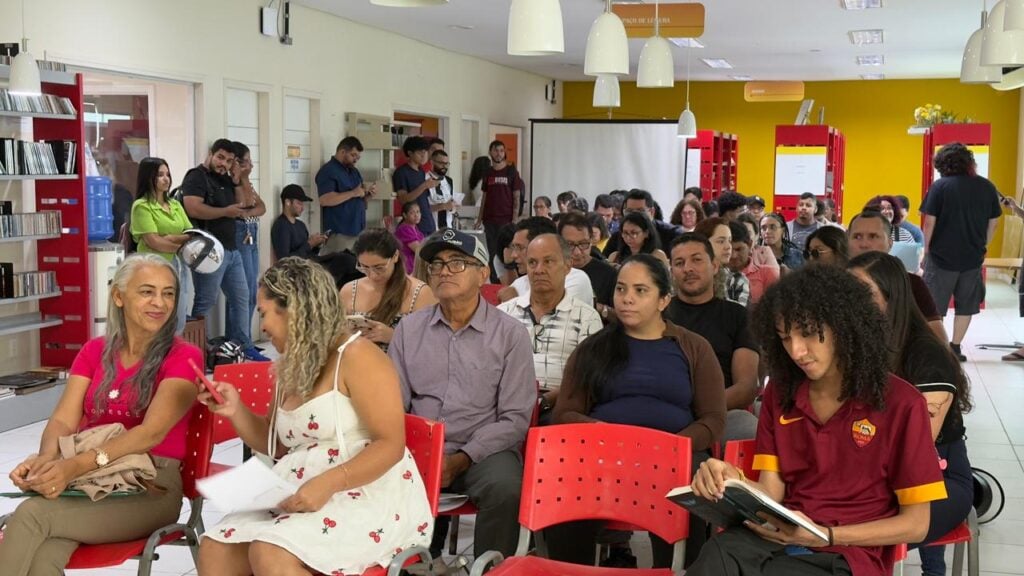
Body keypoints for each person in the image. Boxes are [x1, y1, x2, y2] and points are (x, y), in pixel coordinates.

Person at [686, 265, 947, 576]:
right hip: (779, 535)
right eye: (785, 338)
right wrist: (731, 480)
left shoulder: (902, 403)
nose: (797, 351)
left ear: (844, 325)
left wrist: (825, 535)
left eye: (808, 333)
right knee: (715, 554)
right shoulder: (780, 393)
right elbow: (771, 492)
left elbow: (916, 525)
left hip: (848, 553)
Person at [197, 257, 432, 576]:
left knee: (270, 552)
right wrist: (235, 409)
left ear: (295, 311)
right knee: (215, 548)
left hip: (366, 491)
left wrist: (328, 483)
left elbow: (391, 445)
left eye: (264, 313)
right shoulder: (289, 365)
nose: (262, 326)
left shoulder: (358, 356)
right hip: (301, 487)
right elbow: (275, 445)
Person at [0, 254, 203, 576]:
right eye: (147, 292)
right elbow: (63, 420)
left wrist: (74, 466)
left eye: (168, 293)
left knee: (31, 516)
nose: (160, 303)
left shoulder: (185, 356)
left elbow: (150, 433)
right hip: (89, 481)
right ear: (119, 296)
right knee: (43, 554)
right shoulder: (94, 350)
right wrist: (46, 461)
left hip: (150, 486)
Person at [549, 254, 726, 568]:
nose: (627, 298)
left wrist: (673, 447)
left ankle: (679, 570)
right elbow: (565, 414)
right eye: (621, 289)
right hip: (602, 456)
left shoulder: (694, 348)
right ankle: (569, 570)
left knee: (696, 479)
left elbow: (713, 419)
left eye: (640, 290)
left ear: (663, 300)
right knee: (567, 476)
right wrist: (608, 437)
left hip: (674, 458)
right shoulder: (593, 348)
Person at [389, 229, 536, 559]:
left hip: (482, 451)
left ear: (483, 274)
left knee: (506, 488)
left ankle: (491, 567)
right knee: (371, 474)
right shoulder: (409, 329)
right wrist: (418, 450)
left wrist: (462, 458)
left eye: (457, 263)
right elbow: (394, 406)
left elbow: (515, 417)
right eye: (437, 264)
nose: (444, 271)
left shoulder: (510, 334)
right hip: (418, 447)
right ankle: (405, 563)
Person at [848, 251, 974, 576]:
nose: (850, 303)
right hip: (865, 469)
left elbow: (914, 451)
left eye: (863, 293)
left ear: (892, 298)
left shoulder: (926, 356)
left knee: (855, 534)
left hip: (938, 478)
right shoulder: (851, 344)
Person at [666, 234, 759, 441]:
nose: (688, 268)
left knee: (748, 428)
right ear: (672, 272)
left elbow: (746, 388)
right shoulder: (658, 314)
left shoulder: (737, 315)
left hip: (721, 411)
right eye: (679, 263)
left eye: (696, 260)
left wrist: (699, 409)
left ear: (715, 266)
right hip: (664, 410)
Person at [498, 233, 602, 419]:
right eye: (532, 263)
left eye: (548, 262)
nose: (539, 270)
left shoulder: (587, 317)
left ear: (568, 266)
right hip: (506, 402)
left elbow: (588, 378)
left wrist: (544, 401)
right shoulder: (503, 314)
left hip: (560, 405)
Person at [181, 138, 265, 361]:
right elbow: (193, 208)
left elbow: (246, 204)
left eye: (229, 161)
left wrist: (239, 180)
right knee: (205, 301)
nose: (223, 164)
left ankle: (242, 346)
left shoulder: (227, 179)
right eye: (220, 157)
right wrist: (225, 212)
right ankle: (199, 349)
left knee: (242, 298)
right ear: (210, 153)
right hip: (208, 251)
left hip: (232, 249)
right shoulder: (196, 176)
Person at [922, 143, 1004, 362]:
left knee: (934, 306)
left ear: (942, 165)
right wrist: (982, 246)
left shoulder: (940, 187)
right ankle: (956, 347)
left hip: (941, 257)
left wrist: (926, 251)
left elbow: (929, 222)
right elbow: (994, 223)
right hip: (972, 257)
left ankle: (938, 348)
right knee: (966, 304)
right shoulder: (987, 186)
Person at [848, 210, 949, 344]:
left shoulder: (912, 284)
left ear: (889, 244)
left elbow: (940, 341)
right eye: (857, 237)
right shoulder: (835, 283)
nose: (864, 244)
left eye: (873, 236)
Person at [341, 228, 437, 352]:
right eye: (364, 267)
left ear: (395, 256)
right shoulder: (349, 290)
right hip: (356, 360)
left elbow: (432, 344)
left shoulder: (420, 293)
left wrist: (393, 336)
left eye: (379, 267)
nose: (372, 275)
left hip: (398, 363)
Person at [129, 157, 194, 333]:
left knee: (179, 313)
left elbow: (190, 234)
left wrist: (169, 237)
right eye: (160, 175)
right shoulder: (141, 206)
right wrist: (180, 244)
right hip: (153, 268)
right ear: (148, 177)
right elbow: (154, 241)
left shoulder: (175, 204)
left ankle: (173, 349)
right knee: (158, 316)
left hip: (178, 265)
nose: (166, 179)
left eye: (167, 174)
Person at [499, 217, 595, 305]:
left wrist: (514, 301)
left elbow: (551, 314)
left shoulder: (576, 279)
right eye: (514, 247)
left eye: (519, 247)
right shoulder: (519, 283)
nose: (513, 255)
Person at [228, 142, 268, 353]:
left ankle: (244, 340)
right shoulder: (232, 181)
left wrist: (247, 213)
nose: (250, 166)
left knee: (252, 290)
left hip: (250, 231)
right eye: (246, 161)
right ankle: (241, 342)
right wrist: (241, 178)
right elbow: (244, 203)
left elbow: (260, 207)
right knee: (242, 292)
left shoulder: (246, 181)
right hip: (239, 234)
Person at [316, 136, 377, 255]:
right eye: (353, 155)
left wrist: (367, 195)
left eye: (358, 157)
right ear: (342, 152)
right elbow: (325, 200)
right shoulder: (328, 171)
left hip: (358, 229)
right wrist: (353, 193)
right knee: (340, 263)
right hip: (340, 232)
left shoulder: (354, 171)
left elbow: (360, 199)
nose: (355, 160)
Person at [560, 212, 616, 318]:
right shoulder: (552, 271)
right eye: (569, 245)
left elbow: (621, 318)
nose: (577, 252)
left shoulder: (609, 274)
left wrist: (598, 308)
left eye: (583, 244)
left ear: (591, 241)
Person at [477, 140, 526, 263]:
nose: (499, 153)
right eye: (496, 150)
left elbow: (516, 197)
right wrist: (479, 219)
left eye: (501, 151)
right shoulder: (488, 172)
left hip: (506, 220)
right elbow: (484, 197)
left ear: (504, 153)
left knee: (506, 252)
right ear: (490, 152)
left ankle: (507, 274)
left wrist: (514, 220)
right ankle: (494, 275)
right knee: (492, 252)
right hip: (489, 220)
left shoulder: (511, 171)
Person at [603, 189, 682, 257]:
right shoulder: (618, 236)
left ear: (651, 212)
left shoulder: (672, 234)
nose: (634, 215)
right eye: (629, 211)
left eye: (640, 211)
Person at [394, 136, 441, 237]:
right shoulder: (401, 172)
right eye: (420, 152)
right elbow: (403, 199)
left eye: (425, 152)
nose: (424, 155)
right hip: (415, 224)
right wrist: (424, 186)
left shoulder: (421, 172)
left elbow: (424, 200)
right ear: (410, 153)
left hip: (428, 222)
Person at [728, 219, 780, 307]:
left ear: (750, 244)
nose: (733, 255)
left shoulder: (768, 273)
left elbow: (776, 308)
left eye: (739, 249)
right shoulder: (715, 274)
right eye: (729, 250)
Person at [270, 184, 327, 261]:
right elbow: (284, 260)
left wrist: (317, 244)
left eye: (302, 204)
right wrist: (310, 244)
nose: (302, 208)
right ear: (287, 202)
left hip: (311, 263)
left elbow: (308, 253)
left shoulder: (301, 225)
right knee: (341, 259)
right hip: (298, 267)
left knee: (340, 256)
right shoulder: (281, 226)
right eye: (299, 203)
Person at [694, 217, 734, 301]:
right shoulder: (689, 274)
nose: (728, 247)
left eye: (729, 241)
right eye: (721, 241)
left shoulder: (736, 279)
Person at [427, 149, 457, 230]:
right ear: (432, 162)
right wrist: (442, 206)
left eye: (446, 164)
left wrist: (453, 206)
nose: (444, 166)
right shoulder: (425, 179)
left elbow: (452, 204)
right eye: (441, 163)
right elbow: (422, 208)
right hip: (431, 228)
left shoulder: (449, 180)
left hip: (448, 228)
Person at [394, 201, 427, 274]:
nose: (416, 215)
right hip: (407, 268)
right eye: (412, 213)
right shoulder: (404, 229)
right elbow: (419, 250)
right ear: (405, 215)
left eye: (418, 212)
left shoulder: (415, 229)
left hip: (414, 266)